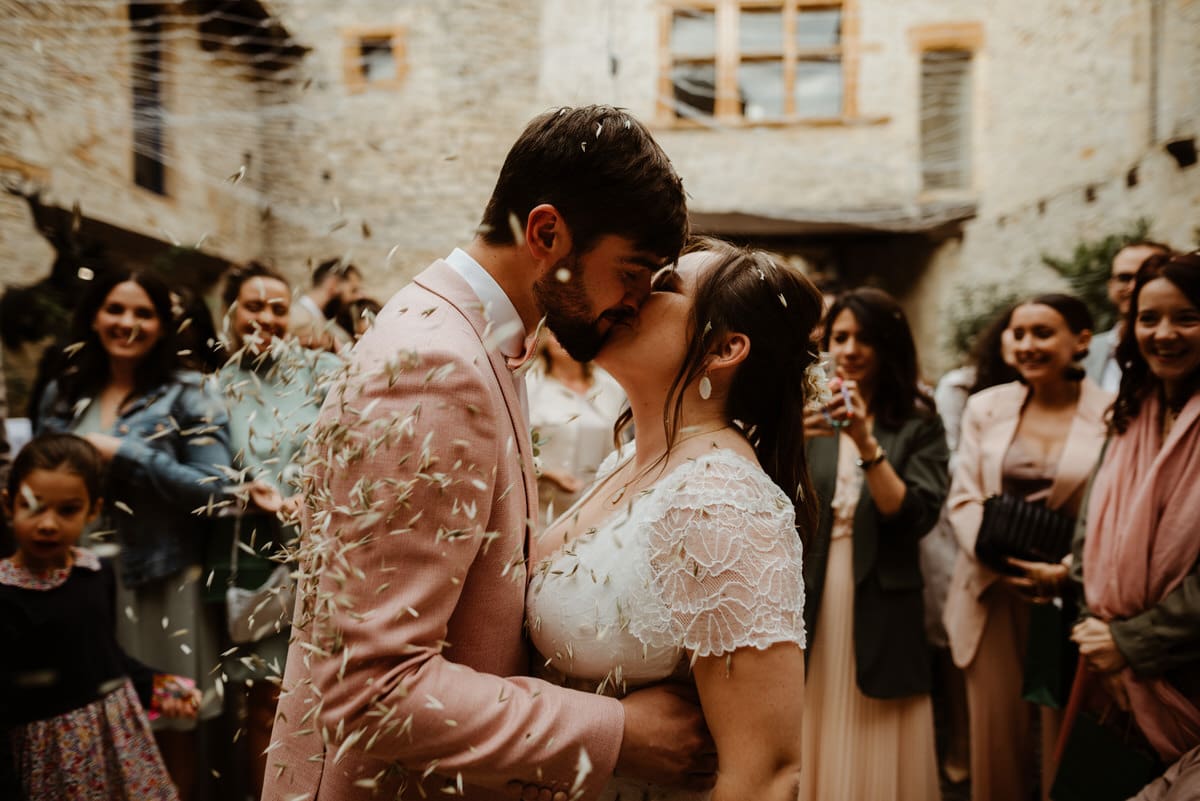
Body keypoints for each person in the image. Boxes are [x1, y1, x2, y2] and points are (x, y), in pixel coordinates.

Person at [263, 105, 710, 801]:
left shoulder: (470, 336)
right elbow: (374, 689)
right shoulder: (436, 365)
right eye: (630, 272)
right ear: (546, 231)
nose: (634, 302)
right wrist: (618, 730)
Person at [528, 240, 821, 801]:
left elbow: (765, 774)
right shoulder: (626, 463)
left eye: (662, 286)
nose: (631, 294)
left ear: (723, 348)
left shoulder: (721, 499)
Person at [36, 269, 233, 801]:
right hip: (73, 585)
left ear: (163, 324)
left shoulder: (191, 395)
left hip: (159, 586)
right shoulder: (64, 390)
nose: (128, 323)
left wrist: (127, 453)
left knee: (168, 722)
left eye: (143, 313)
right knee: (82, 722)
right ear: (94, 316)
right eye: (116, 310)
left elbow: (219, 491)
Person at [944, 293, 1113, 801]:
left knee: (1065, 733)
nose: (1027, 344)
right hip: (991, 588)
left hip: (1070, 595)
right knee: (995, 744)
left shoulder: (1112, 414)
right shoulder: (985, 407)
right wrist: (1000, 563)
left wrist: (1067, 569)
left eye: (1043, 333)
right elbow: (964, 497)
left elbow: (1110, 505)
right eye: (1018, 333)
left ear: (1080, 340)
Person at [798, 288, 949, 801]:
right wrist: (784, 442)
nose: (850, 349)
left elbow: (912, 517)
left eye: (865, 337)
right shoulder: (804, 417)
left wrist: (865, 441)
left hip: (882, 595)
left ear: (890, 346)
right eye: (839, 336)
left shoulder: (918, 422)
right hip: (810, 593)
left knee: (880, 723)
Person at [1, 433, 202, 800]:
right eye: (33, 506)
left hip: (116, 742)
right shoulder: (5, 593)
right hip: (49, 760)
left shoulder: (96, 572)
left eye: (67, 510)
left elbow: (107, 658)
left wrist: (160, 687)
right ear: (8, 504)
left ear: (93, 510)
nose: (48, 524)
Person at [211, 263, 342, 799]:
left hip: (330, 553)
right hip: (258, 555)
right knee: (265, 701)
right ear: (231, 313)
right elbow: (208, 467)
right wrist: (246, 493)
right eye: (253, 306)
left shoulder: (324, 368)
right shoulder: (215, 386)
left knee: (325, 696)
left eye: (278, 308)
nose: (265, 317)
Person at [1068, 251, 1200, 779]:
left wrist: (1130, 644)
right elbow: (1090, 529)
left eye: (1187, 317)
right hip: (1107, 662)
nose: (1163, 334)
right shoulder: (1133, 408)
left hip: (1184, 670)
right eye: (1149, 318)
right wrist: (1096, 629)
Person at [924, 306, 1019, 783]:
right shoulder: (962, 390)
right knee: (954, 638)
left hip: (1029, 540)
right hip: (959, 527)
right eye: (1017, 333)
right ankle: (962, 739)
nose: (1025, 345)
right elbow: (956, 463)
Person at [527, 329, 626, 525]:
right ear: (543, 337)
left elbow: (620, 446)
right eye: (553, 332)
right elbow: (514, 446)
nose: (560, 338)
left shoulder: (611, 387)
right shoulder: (531, 383)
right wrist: (545, 473)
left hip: (595, 510)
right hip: (541, 510)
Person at [1083, 241, 1173, 391]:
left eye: (1145, 277)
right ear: (1110, 286)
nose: (1133, 287)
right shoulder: (1086, 352)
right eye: (1124, 278)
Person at [290, 258, 362, 352]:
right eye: (353, 290)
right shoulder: (294, 317)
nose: (357, 298)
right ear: (333, 283)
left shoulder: (328, 322)